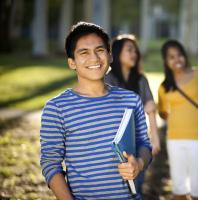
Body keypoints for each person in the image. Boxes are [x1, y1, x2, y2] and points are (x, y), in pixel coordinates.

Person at [40, 22, 152, 200]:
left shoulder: (131, 100)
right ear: (71, 62)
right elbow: (50, 164)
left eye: (100, 50)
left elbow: (144, 145)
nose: (94, 58)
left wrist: (139, 163)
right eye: (84, 52)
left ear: (110, 55)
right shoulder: (56, 108)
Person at [158, 40, 198, 200]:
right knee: (178, 188)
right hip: (174, 140)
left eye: (179, 55)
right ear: (166, 61)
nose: (177, 59)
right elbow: (163, 112)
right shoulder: (164, 86)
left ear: (185, 56)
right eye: (171, 57)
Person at [105, 34, 160, 156]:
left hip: (139, 140)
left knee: (138, 172)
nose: (134, 54)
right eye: (129, 50)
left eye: (135, 51)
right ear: (117, 52)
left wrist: (155, 139)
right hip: (112, 141)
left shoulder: (141, 80)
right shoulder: (107, 79)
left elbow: (150, 108)